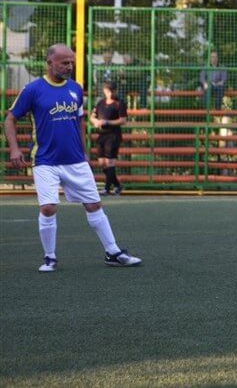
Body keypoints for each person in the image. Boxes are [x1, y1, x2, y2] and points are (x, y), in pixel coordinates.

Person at [4, 44, 142, 272]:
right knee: (48, 208)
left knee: (94, 204)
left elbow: (79, 122)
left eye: (71, 62)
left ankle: (113, 252)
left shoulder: (76, 89)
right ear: (50, 63)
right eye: (64, 62)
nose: (69, 66)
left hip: (75, 160)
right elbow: (10, 119)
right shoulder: (33, 89)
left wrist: (84, 151)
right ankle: (50, 257)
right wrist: (14, 149)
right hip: (45, 160)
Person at [90, 81, 127, 196]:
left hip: (113, 135)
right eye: (107, 91)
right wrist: (95, 121)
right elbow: (92, 116)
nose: (109, 93)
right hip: (102, 135)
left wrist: (107, 122)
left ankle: (106, 189)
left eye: (111, 91)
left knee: (110, 162)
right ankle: (117, 185)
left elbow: (123, 120)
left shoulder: (119, 103)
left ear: (114, 91)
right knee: (102, 163)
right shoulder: (100, 103)